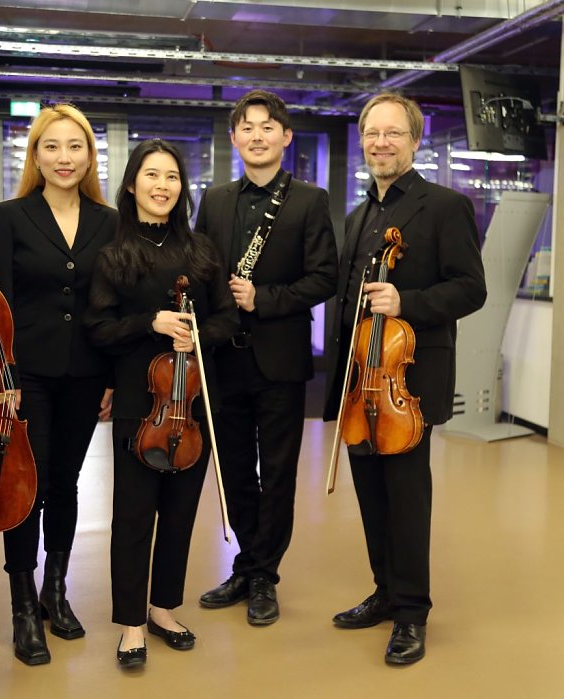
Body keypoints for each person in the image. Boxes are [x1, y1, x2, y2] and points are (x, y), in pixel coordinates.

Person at [323, 92, 486, 665]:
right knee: (370, 494)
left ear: (414, 141)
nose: (381, 143)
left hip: (407, 382)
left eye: (394, 133)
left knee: (407, 497)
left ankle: (413, 612)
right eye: (372, 133)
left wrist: (407, 300)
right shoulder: (359, 214)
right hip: (360, 382)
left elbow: (471, 287)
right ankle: (386, 592)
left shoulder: (444, 205)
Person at [85, 139, 237, 667]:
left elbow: (226, 319)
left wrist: (198, 333)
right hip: (139, 404)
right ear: (132, 185)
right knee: (132, 517)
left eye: (172, 176)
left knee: (179, 515)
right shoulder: (114, 255)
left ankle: (163, 606)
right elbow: (99, 328)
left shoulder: (201, 252)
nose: (162, 186)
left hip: (192, 404)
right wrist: (149, 322)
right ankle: (130, 621)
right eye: (152, 175)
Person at [194, 89, 338, 625]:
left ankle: (264, 577)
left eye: (267, 126)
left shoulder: (308, 200)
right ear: (234, 138)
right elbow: (203, 272)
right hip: (223, 360)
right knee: (234, 471)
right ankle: (246, 563)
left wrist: (266, 298)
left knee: (277, 473)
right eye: (247, 127)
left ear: (285, 136)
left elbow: (325, 276)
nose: (257, 135)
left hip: (280, 360)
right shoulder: (214, 199)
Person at [0, 104, 116, 665]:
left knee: (64, 481)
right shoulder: (10, 215)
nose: (65, 158)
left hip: (87, 372)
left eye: (75, 147)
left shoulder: (109, 222)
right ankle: (21, 607)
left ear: (90, 156)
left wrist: (111, 376)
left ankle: (54, 594)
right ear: (35, 155)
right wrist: (3, 376)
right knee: (27, 487)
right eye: (52, 147)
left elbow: (112, 301)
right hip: (26, 374)